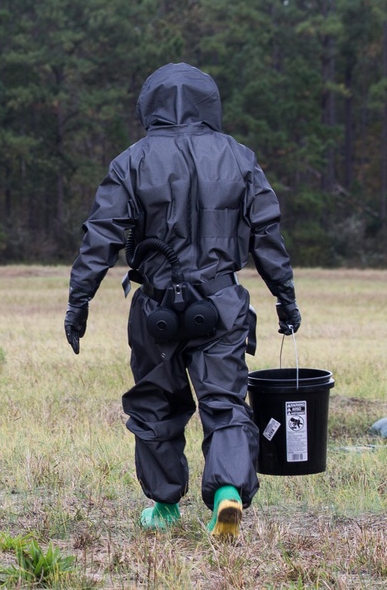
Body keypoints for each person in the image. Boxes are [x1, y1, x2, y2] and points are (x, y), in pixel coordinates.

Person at [63, 63, 300, 540]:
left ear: (149, 104)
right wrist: (285, 298)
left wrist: (79, 303)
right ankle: (228, 490)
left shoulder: (131, 160)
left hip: (156, 309)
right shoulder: (239, 156)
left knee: (154, 405)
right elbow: (267, 236)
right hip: (220, 302)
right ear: (208, 103)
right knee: (226, 402)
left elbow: (100, 238)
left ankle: (165, 505)